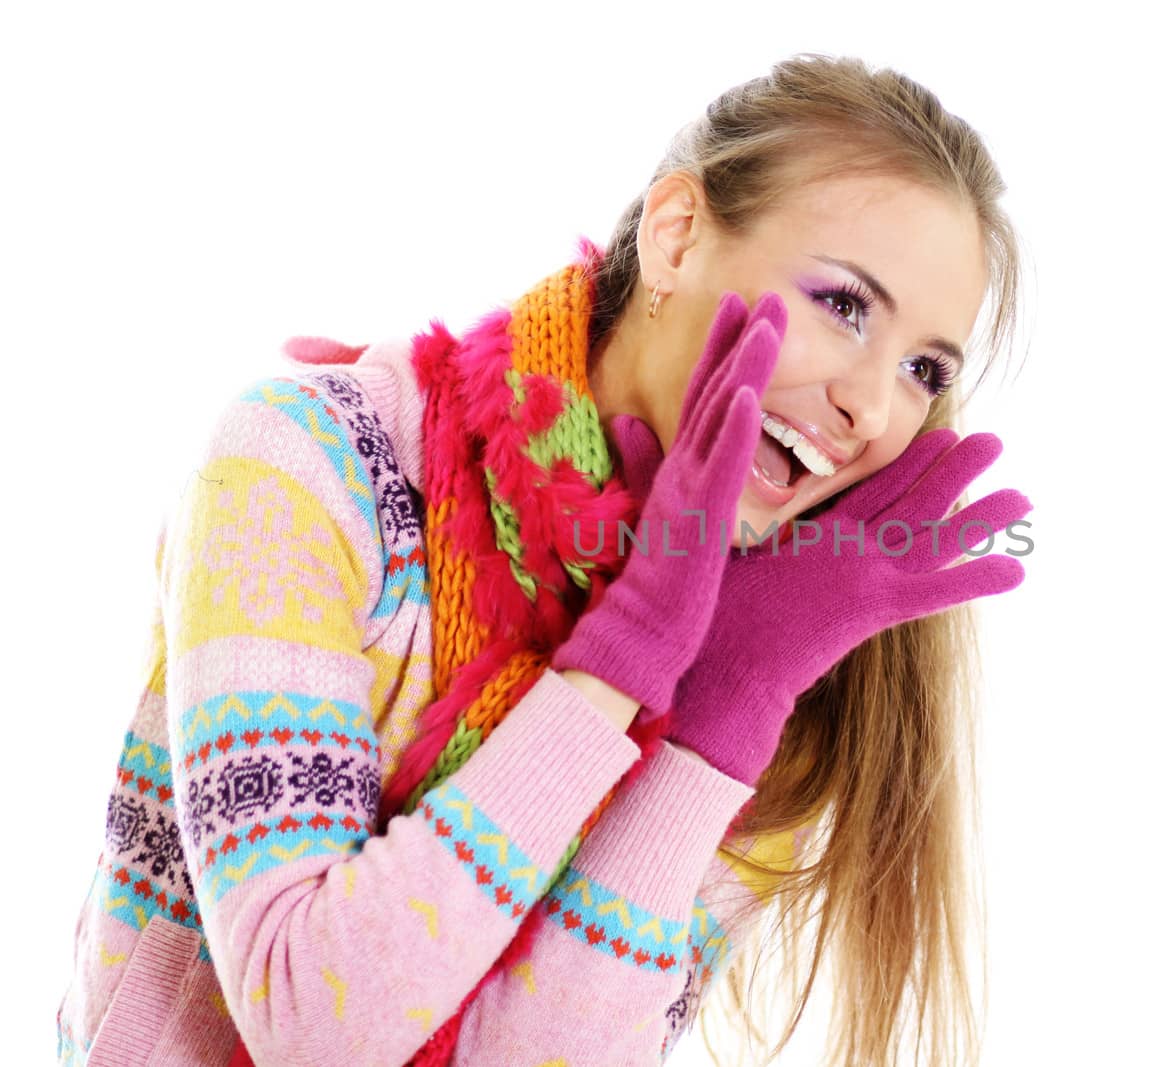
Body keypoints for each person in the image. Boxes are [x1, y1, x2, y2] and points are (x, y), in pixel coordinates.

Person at [55, 52, 1034, 1067]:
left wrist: (722, 713)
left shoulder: (778, 679)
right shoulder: (311, 465)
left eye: (924, 369)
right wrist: (620, 660)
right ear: (677, 235)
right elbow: (314, 1025)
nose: (871, 406)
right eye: (843, 305)